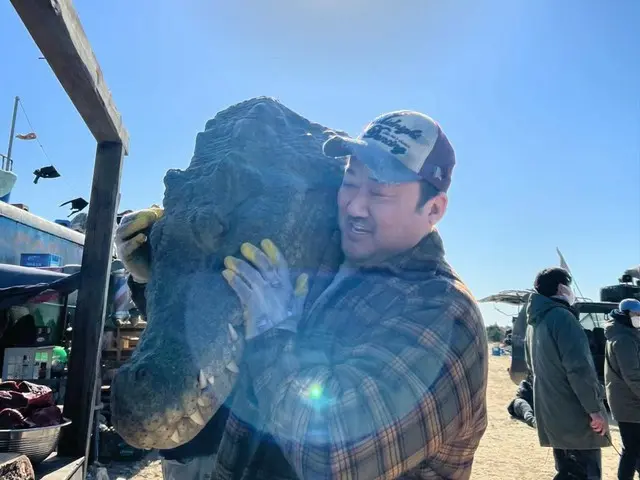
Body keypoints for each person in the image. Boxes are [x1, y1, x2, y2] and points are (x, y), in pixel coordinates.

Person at [116, 110, 489, 479]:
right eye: (351, 182)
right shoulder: (330, 264)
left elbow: (333, 459)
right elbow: (216, 339)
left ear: (434, 209)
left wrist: (271, 330)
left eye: (380, 193)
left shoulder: (442, 313)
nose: (355, 206)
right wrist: (155, 270)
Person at [525, 267, 609, 480]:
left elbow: (531, 367)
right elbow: (579, 369)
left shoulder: (534, 322)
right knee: (583, 474)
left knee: (567, 472)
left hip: (552, 415)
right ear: (562, 287)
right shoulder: (562, 317)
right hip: (575, 418)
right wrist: (594, 410)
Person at [604, 298, 640, 480]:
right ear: (626, 315)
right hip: (629, 403)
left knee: (634, 448)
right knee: (631, 449)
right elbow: (633, 375)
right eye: (636, 314)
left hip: (627, 401)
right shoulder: (623, 339)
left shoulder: (626, 334)